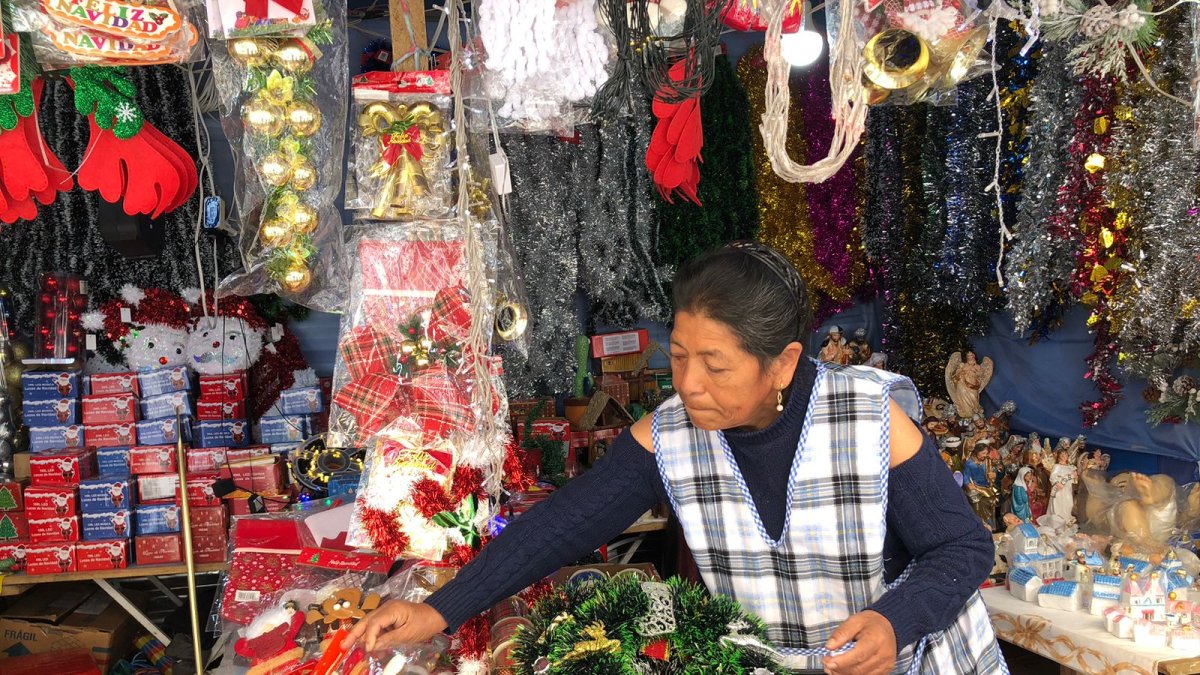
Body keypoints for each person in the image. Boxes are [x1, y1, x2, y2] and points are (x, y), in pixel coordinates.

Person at [346, 242, 1005, 674]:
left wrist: (896, 620)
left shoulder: (865, 417)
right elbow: (563, 524)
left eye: (715, 365)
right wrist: (441, 608)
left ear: (782, 363)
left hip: (912, 657)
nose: (689, 383)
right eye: (681, 356)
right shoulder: (670, 431)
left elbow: (962, 548)